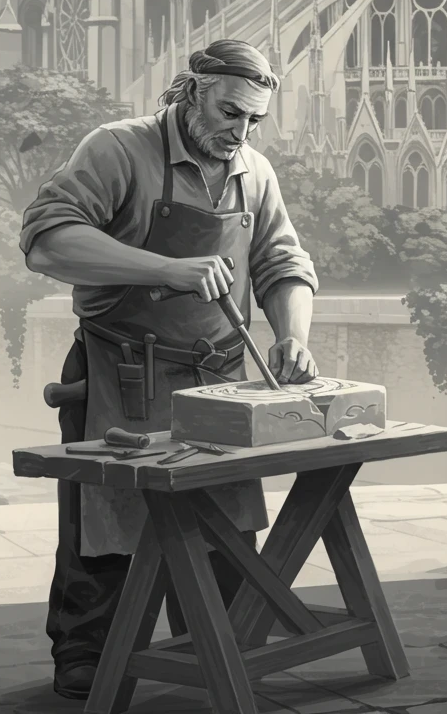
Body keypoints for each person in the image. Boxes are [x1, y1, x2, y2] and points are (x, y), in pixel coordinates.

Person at [20, 39, 319, 698]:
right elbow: (46, 240)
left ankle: (219, 642)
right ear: (189, 91)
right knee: (105, 527)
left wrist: (292, 336)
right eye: (227, 111)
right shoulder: (117, 149)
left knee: (223, 526)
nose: (237, 132)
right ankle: (87, 652)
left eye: (252, 121)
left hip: (218, 383)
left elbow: (282, 263)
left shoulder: (254, 172)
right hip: (122, 375)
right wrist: (163, 269)